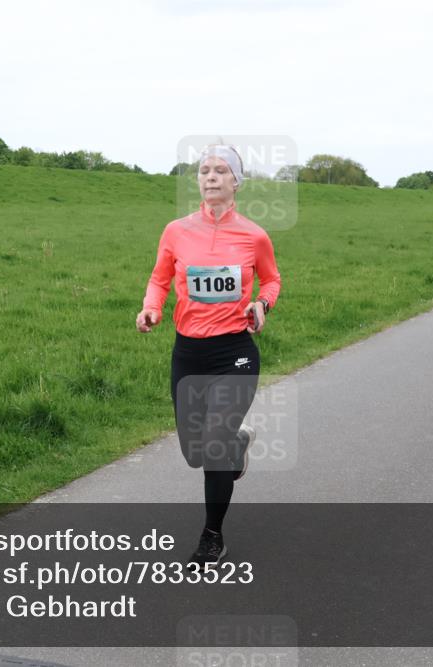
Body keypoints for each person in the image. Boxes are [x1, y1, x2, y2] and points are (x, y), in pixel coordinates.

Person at [137, 144, 281, 566]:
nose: (211, 176)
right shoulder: (176, 231)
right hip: (188, 354)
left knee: (213, 446)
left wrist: (262, 305)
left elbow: (272, 280)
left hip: (234, 354)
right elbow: (159, 279)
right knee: (195, 453)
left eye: (221, 170)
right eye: (204, 170)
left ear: (237, 181)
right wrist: (152, 308)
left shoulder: (254, 236)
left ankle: (212, 536)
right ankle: (237, 442)